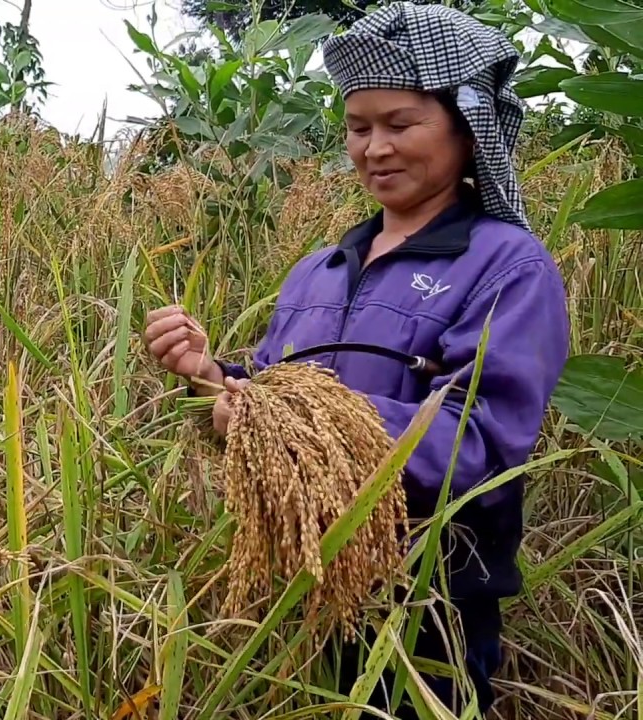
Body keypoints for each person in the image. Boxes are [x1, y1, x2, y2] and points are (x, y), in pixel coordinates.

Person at [142, 3, 570, 716]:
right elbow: (271, 384)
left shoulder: (507, 266)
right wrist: (210, 376)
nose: (375, 149)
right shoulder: (321, 268)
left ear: (467, 129)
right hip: (304, 584)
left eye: (401, 125)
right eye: (358, 127)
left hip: (432, 595)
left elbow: (486, 440)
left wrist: (285, 419)